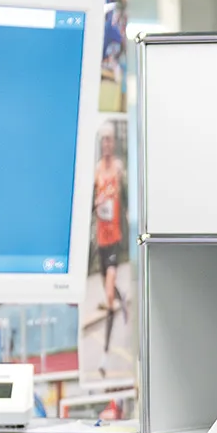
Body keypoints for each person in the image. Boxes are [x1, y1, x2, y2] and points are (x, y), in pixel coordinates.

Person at [90, 127, 127, 365]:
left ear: (113, 143)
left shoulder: (118, 168)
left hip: (114, 237)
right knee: (108, 292)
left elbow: (125, 195)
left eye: (110, 140)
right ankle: (121, 302)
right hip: (101, 239)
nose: (107, 144)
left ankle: (104, 351)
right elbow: (93, 203)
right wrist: (98, 202)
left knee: (109, 293)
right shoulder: (96, 171)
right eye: (103, 140)